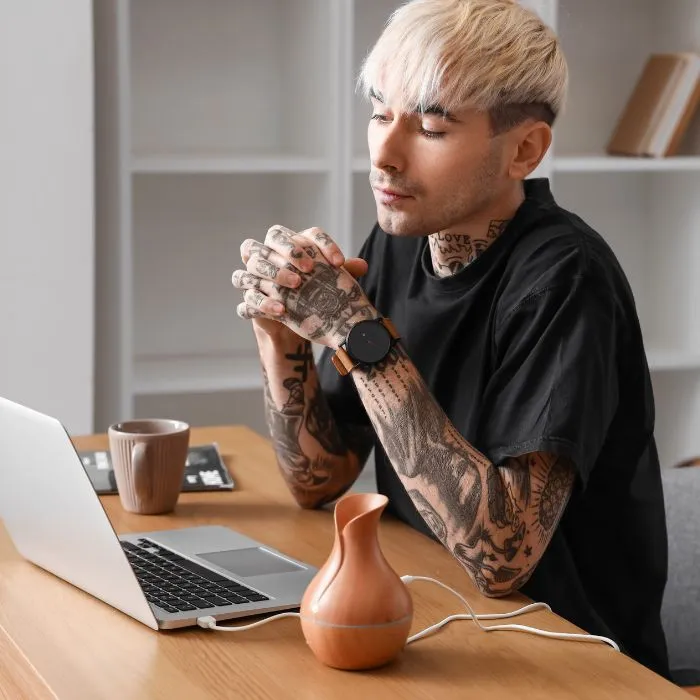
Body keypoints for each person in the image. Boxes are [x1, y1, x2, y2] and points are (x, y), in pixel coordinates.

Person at [231, 0, 670, 678]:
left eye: (431, 128)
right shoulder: (404, 240)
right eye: (380, 115)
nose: (384, 153)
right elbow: (319, 476)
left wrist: (355, 330)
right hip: (428, 613)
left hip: (569, 663)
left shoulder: (567, 279)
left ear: (523, 149)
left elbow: (501, 559)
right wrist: (281, 330)